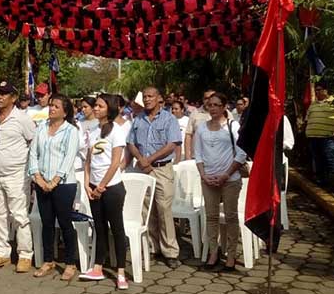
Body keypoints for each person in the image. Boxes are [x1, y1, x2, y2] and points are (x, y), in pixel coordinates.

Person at [0, 81, 36, 273]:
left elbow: (34, 142)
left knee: (19, 215)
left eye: (4, 94)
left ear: (13, 98)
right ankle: (2, 253)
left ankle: (25, 255)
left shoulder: (22, 119)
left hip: (16, 175)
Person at [127, 86, 182, 269]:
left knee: (164, 209)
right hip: (143, 168)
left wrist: (149, 159)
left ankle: (170, 251)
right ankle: (152, 247)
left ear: (159, 98)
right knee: (145, 209)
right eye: (145, 97)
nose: (147, 99)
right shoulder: (138, 119)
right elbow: (131, 142)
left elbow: (172, 144)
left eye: (151, 96)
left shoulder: (169, 119)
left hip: (161, 168)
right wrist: (141, 159)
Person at [79, 94, 129, 290]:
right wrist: (87, 184)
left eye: (100, 106)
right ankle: (98, 267)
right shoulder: (92, 131)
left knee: (117, 229)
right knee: (99, 228)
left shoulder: (116, 131)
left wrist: (102, 186)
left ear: (109, 109)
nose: (96, 108)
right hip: (93, 188)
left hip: (112, 188)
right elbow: (89, 161)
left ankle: (121, 272)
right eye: (96, 106)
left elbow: (116, 162)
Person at [28, 94, 80, 281]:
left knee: (65, 223)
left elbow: (68, 158)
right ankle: (48, 260)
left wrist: (55, 181)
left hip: (63, 185)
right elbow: (33, 153)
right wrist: (38, 177)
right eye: (51, 106)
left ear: (65, 112)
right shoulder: (41, 128)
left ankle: (70, 262)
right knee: (47, 223)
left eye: (56, 107)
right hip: (42, 182)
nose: (51, 109)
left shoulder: (71, 131)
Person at [193, 93, 246, 271]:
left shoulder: (233, 126)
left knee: (231, 216)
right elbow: (198, 154)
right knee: (211, 216)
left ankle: (231, 255)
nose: (213, 108)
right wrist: (203, 175)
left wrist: (226, 174)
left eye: (217, 105)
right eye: (210, 105)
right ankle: (213, 253)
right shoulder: (201, 128)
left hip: (230, 179)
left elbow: (241, 154)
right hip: (208, 179)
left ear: (224, 107)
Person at [305, 82, 334, 186]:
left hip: (327, 137)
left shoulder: (332, 102)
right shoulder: (313, 104)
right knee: (318, 160)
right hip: (313, 137)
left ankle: (331, 183)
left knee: (330, 159)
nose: (317, 92)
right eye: (316, 90)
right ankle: (322, 182)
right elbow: (307, 119)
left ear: (326, 91)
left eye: (319, 89)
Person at [185, 89, 216, 160]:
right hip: (197, 158)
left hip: (218, 158)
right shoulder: (195, 113)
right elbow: (188, 135)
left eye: (211, 98)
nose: (209, 100)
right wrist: (187, 157)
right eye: (206, 98)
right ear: (203, 99)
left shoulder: (225, 113)